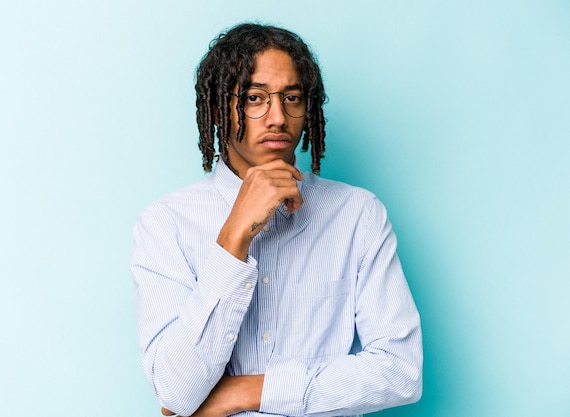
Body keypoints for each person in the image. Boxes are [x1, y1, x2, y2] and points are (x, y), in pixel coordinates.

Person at [131, 23, 422, 417]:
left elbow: (401, 371)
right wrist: (235, 236)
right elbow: (177, 392)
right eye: (254, 98)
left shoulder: (357, 214)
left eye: (292, 98)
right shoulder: (165, 223)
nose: (278, 117)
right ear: (219, 110)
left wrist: (245, 392)